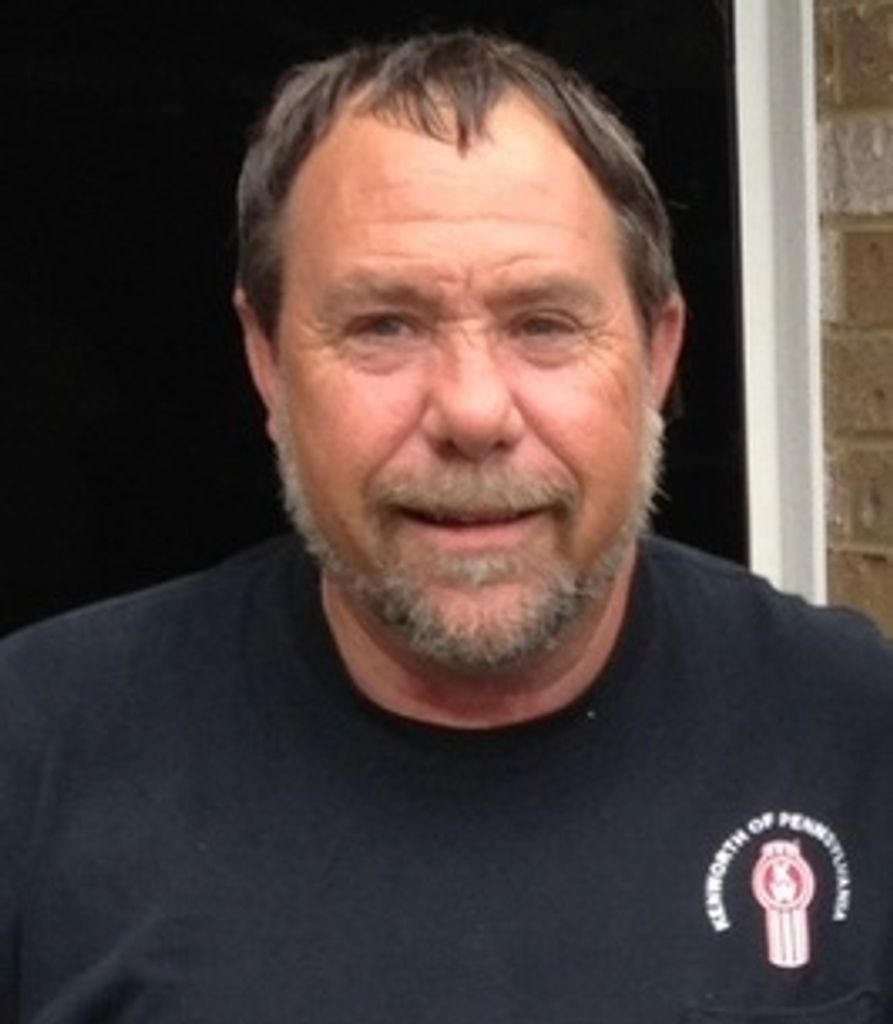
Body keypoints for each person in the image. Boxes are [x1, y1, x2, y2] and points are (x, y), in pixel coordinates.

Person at [2, 30, 892, 1023]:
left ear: (656, 354)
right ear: (267, 361)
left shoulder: (849, 728)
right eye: (383, 325)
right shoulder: (37, 754)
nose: (472, 412)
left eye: (543, 324)